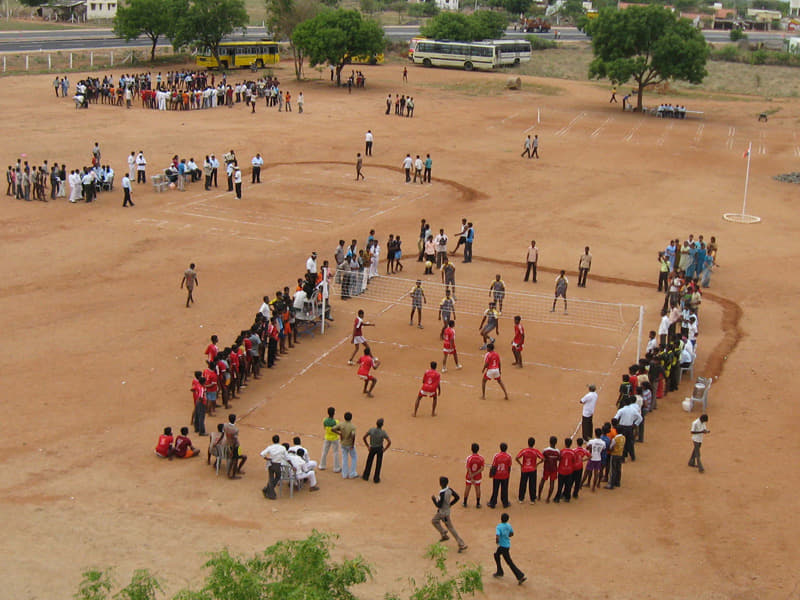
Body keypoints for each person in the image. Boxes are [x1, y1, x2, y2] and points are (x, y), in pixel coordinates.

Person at [431, 476, 467, 552]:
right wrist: (450, 504)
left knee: (450, 528)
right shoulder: (449, 490)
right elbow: (457, 497)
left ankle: (461, 544)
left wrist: (434, 500)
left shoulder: (442, 494)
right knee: (434, 520)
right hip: (445, 511)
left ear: (441, 483)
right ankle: (443, 534)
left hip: (443, 513)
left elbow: (439, 505)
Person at [493, 513, 526, 584]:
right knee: (496, 555)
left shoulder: (499, 526)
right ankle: (499, 571)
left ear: (501, 518)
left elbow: (497, 536)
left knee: (509, 562)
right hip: (507, 545)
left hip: (502, 546)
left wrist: (497, 541)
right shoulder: (508, 525)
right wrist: (506, 536)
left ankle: (520, 575)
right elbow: (512, 534)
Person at [260, 434, 290, 500]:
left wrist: (267, 459)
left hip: (270, 464)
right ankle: (271, 494)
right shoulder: (282, 448)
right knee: (278, 477)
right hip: (277, 464)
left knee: (271, 478)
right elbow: (287, 458)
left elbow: (262, 454)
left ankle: (268, 489)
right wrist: (292, 465)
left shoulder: (270, 447)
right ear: (279, 440)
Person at [362, 418, 391, 483]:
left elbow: (364, 437)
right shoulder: (383, 432)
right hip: (379, 448)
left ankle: (366, 476)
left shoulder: (371, 430)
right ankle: (376, 478)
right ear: (382, 425)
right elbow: (389, 442)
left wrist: (367, 446)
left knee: (369, 462)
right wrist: (385, 449)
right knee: (378, 463)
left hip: (372, 448)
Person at [515, 437, 542, 504]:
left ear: (528, 443)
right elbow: (543, 458)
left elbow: (517, 458)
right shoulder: (535, 451)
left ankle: (521, 499)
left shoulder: (524, 450)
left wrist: (521, 465)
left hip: (524, 469)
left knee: (523, 484)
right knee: (532, 484)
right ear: (534, 443)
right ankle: (532, 499)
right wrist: (537, 464)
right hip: (532, 469)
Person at [332, 411, 358, 479]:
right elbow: (353, 435)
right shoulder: (352, 426)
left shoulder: (341, 424)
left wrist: (339, 434)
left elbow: (333, 429)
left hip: (343, 443)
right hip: (349, 444)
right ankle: (352, 473)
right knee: (354, 457)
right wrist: (352, 445)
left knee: (344, 458)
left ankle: (344, 474)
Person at [487, 442, 512, 509]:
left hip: (497, 476)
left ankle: (493, 503)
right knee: (505, 489)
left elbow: (494, 466)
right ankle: (505, 503)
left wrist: (491, 474)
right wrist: (508, 474)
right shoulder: (509, 456)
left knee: (495, 489)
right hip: (505, 475)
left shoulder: (496, 456)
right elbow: (509, 467)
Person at [224, 414, 247, 478]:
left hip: (228, 444)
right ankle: (234, 474)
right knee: (235, 460)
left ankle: (231, 472)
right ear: (235, 420)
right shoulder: (235, 429)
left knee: (233, 459)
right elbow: (234, 440)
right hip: (235, 446)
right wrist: (232, 450)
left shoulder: (225, 426)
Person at [319, 406, 342, 473]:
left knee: (324, 452)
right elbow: (338, 429)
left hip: (327, 437)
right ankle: (336, 468)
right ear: (334, 413)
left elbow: (324, 428)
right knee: (335, 452)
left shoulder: (324, 420)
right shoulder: (336, 421)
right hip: (334, 438)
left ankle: (322, 465)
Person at [538, 436, 559, 503]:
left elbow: (542, 457)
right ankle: (548, 499)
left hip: (547, 468)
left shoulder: (545, 450)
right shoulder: (557, 451)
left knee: (543, 480)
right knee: (552, 483)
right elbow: (558, 459)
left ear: (549, 442)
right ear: (556, 443)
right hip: (554, 469)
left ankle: (538, 496)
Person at [553, 437, 575, 503]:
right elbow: (573, 460)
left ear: (565, 444)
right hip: (569, 471)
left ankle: (557, 498)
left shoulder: (561, 451)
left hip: (562, 471)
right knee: (568, 485)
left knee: (560, 485)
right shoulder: (573, 452)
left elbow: (558, 459)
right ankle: (567, 497)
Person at [463, 443, 485, 508]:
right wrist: (475, 474)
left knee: (467, 488)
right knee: (478, 488)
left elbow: (468, 468)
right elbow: (482, 468)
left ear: (471, 449)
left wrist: (471, 476)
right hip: (478, 476)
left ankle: (465, 502)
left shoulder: (469, 458)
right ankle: (478, 504)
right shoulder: (481, 458)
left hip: (469, 476)